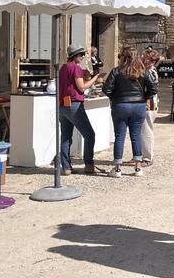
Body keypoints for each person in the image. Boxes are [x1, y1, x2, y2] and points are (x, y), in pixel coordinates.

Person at [102, 46, 158, 178]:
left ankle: (117, 169)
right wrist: (144, 98)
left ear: (123, 56)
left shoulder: (116, 71)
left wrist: (115, 98)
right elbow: (153, 88)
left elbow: (106, 89)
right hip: (138, 106)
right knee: (136, 135)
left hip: (120, 105)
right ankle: (138, 168)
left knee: (120, 136)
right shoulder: (142, 71)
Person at [58, 45, 100, 176]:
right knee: (90, 135)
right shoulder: (76, 68)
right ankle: (89, 165)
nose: (82, 57)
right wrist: (95, 78)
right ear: (74, 56)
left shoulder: (63, 68)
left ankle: (66, 167)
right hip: (74, 105)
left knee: (65, 138)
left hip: (63, 105)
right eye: (81, 54)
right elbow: (82, 87)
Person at [140, 48, 160, 165]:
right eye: (145, 59)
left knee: (147, 128)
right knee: (142, 128)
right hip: (147, 100)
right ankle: (142, 154)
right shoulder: (146, 71)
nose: (146, 61)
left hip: (149, 101)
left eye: (149, 60)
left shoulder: (151, 72)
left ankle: (148, 157)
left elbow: (152, 90)